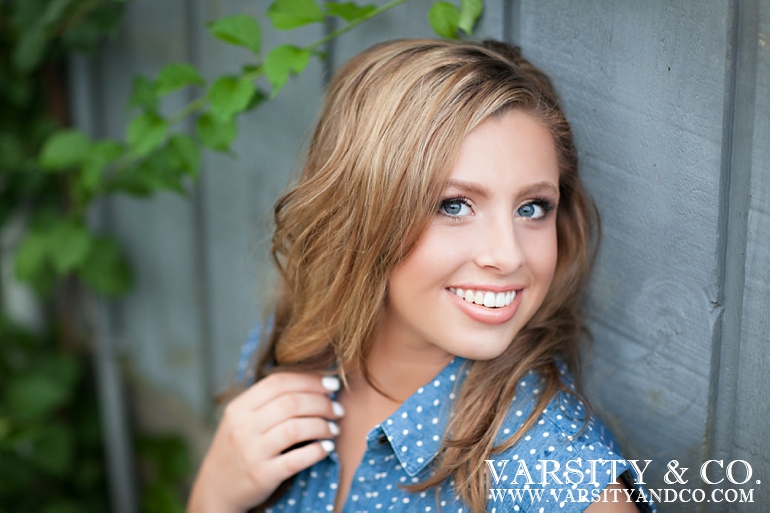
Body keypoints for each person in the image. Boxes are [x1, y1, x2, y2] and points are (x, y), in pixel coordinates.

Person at [187, 39, 657, 513]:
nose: (508, 255)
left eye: (532, 208)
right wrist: (214, 496)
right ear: (361, 211)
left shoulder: (554, 474)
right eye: (454, 205)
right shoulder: (289, 349)